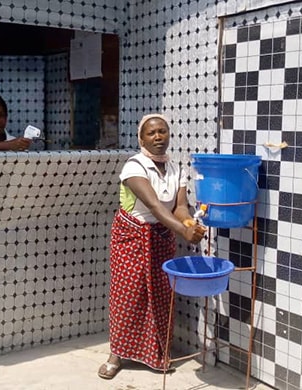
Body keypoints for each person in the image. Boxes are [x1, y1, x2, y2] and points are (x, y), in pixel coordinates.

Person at [97, 113, 207, 380]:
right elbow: (155, 206)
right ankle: (116, 355)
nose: (158, 137)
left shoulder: (174, 169)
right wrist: (183, 230)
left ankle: (157, 354)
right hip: (131, 237)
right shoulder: (134, 166)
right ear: (141, 138)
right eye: (151, 133)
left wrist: (190, 223)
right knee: (129, 295)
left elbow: (179, 207)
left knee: (159, 295)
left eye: (163, 132)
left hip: (161, 236)